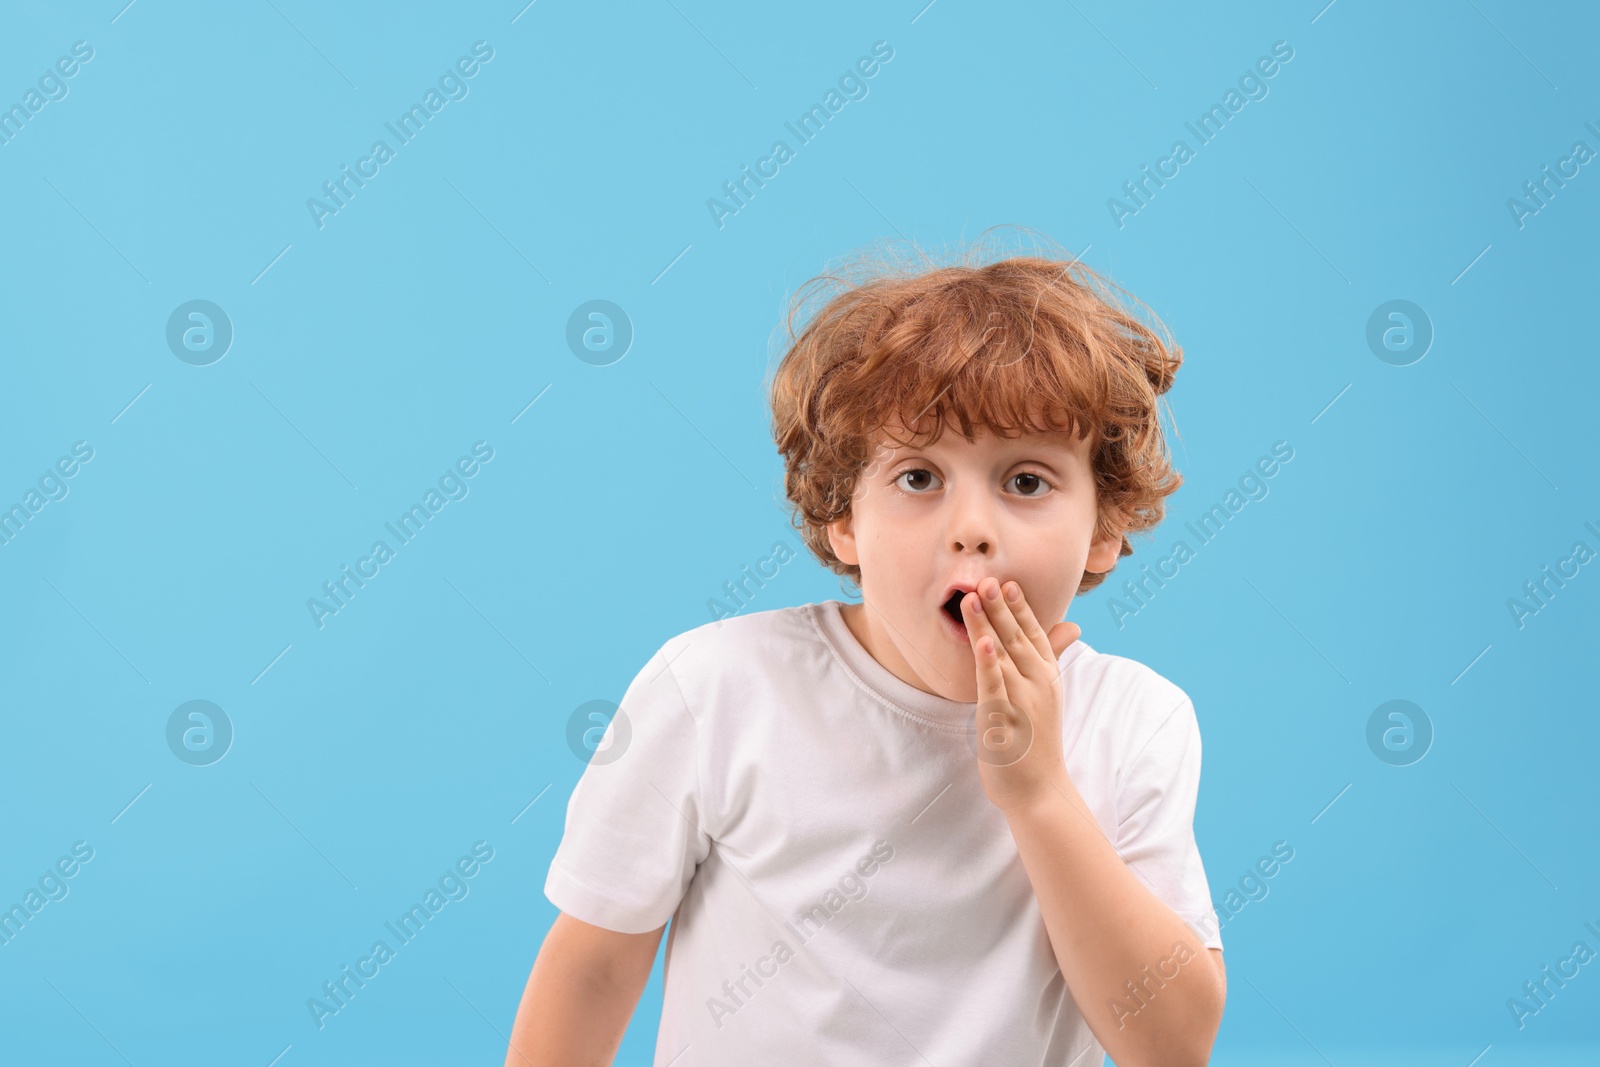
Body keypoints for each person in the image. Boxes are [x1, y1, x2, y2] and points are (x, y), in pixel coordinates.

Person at [506, 234, 1227, 1066]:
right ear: (844, 518)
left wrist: (1039, 794)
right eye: (918, 478)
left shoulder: (1135, 721)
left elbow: (1172, 1043)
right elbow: (595, 964)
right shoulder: (715, 689)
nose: (972, 530)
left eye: (1026, 480)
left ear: (1104, 529)